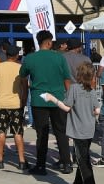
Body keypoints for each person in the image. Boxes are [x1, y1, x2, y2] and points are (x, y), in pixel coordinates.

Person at [43, 62, 100, 184]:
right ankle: (77, 183)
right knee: (83, 156)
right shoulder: (91, 91)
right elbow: (97, 110)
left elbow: (67, 107)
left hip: (78, 130)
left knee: (83, 159)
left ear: (79, 74)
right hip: (89, 129)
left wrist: (52, 99)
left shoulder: (74, 88)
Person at [20, 30, 73, 175]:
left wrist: (24, 97)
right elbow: (66, 79)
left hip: (39, 99)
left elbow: (22, 77)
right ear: (49, 42)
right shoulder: (59, 58)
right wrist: (70, 98)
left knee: (41, 134)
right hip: (58, 99)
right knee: (61, 132)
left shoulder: (30, 58)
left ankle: (41, 166)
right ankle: (66, 163)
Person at [0, 44, 29, 170]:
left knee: (1, 132)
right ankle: (22, 161)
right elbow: (25, 87)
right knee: (18, 132)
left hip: (0, 104)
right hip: (16, 104)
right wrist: (23, 101)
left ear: (6, 55)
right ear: (17, 55)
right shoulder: (20, 68)